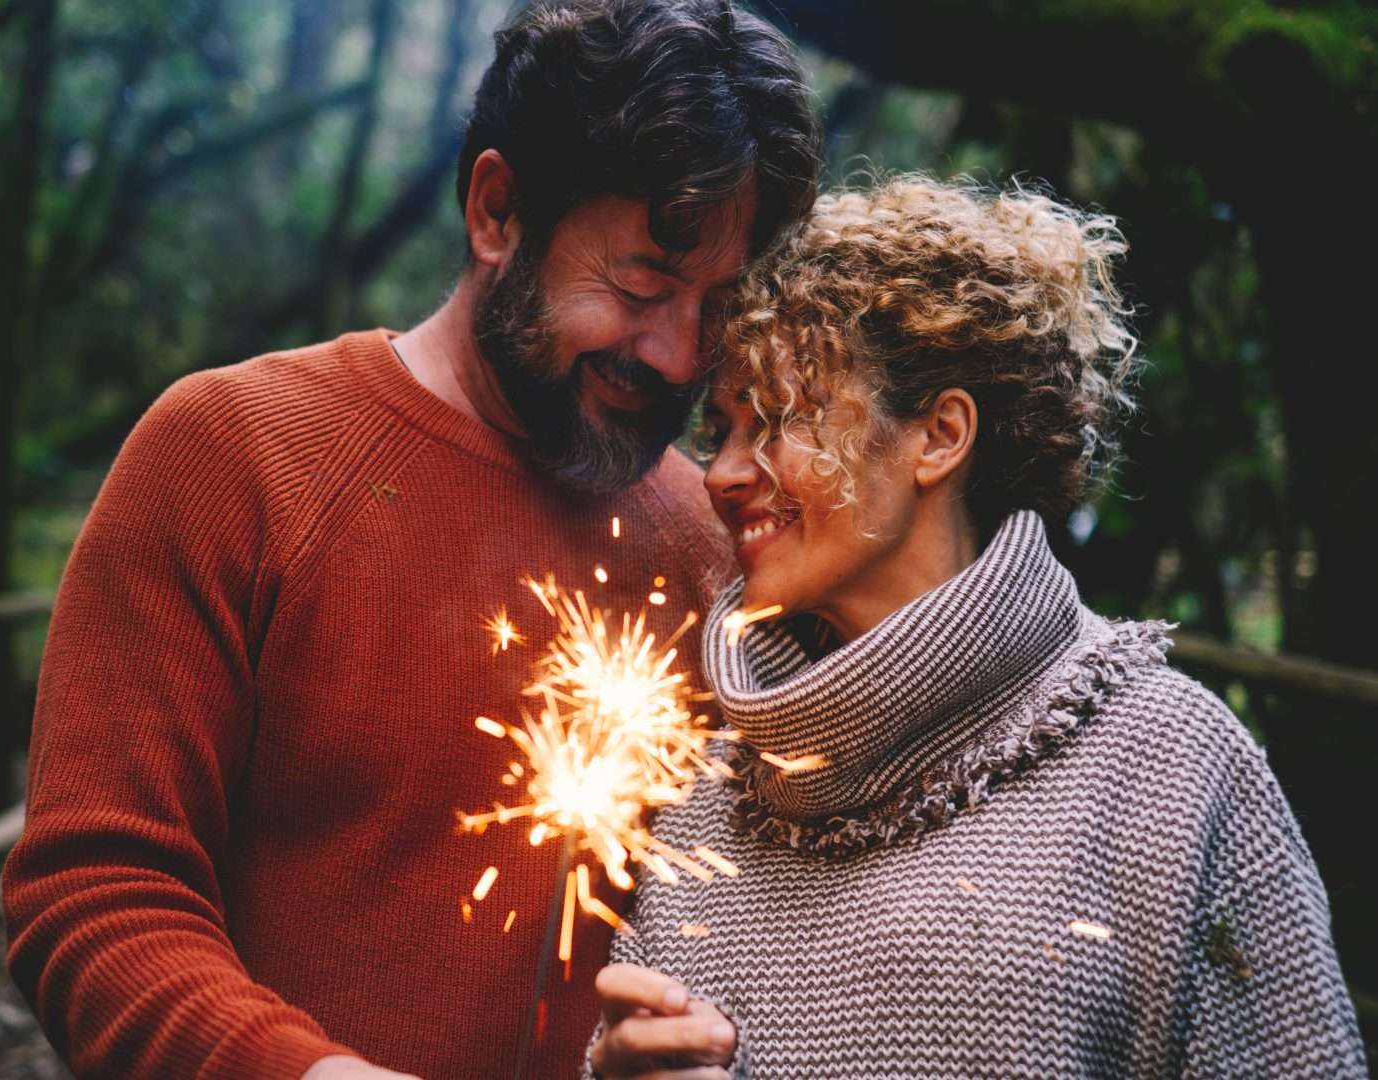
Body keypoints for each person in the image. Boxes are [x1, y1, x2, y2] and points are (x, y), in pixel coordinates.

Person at [0, 2, 822, 1078]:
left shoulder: (716, 548)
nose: (677, 358)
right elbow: (93, 895)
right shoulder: (230, 456)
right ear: (497, 210)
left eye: (718, 311)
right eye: (639, 289)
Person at [586, 176, 1368, 1078]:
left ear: (940, 436)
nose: (723, 472)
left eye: (780, 418)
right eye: (720, 427)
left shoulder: (1172, 771)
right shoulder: (710, 795)